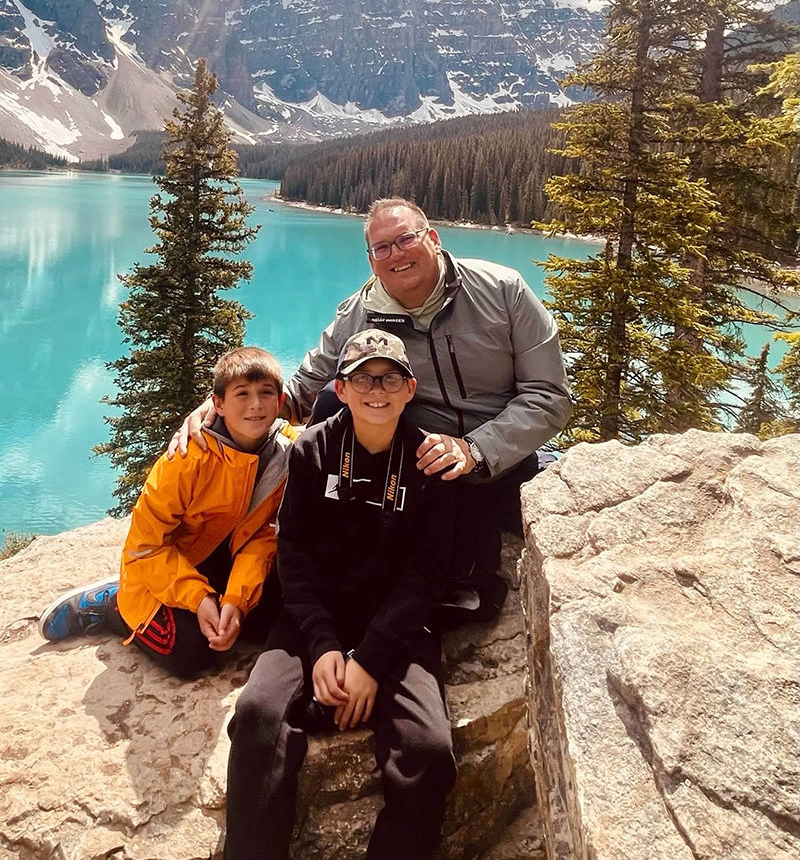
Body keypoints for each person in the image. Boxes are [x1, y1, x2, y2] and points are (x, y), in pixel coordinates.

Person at [175, 197, 571, 613]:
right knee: (332, 400)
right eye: (381, 248)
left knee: (474, 575)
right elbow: (301, 393)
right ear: (371, 260)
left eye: (405, 239)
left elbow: (550, 396)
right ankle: (326, 544)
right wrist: (220, 408)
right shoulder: (361, 312)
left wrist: (475, 450)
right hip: (421, 465)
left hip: (502, 454)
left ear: (433, 239)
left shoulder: (502, 291)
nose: (395, 254)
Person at [223, 328, 456, 860]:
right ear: (342, 389)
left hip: (398, 629)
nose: (377, 389)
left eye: (389, 378)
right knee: (258, 715)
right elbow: (295, 557)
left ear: (409, 388)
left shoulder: (429, 463)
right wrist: (325, 646)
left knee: (428, 748)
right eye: (361, 378)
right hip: (314, 619)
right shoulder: (312, 449)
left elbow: (426, 576)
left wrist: (369, 662)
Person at [39, 346, 299, 678]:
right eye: (242, 394)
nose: (256, 405)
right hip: (166, 564)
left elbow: (263, 536)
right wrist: (200, 599)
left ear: (280, 401)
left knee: (265, 626)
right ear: (217, 403)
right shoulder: (189, 457)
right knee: (190, 655)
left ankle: (218, 600)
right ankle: (114, 605)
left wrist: (236, 599)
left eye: (266, 393)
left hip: (226, 561)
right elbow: (146, 546)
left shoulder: (284, 453)